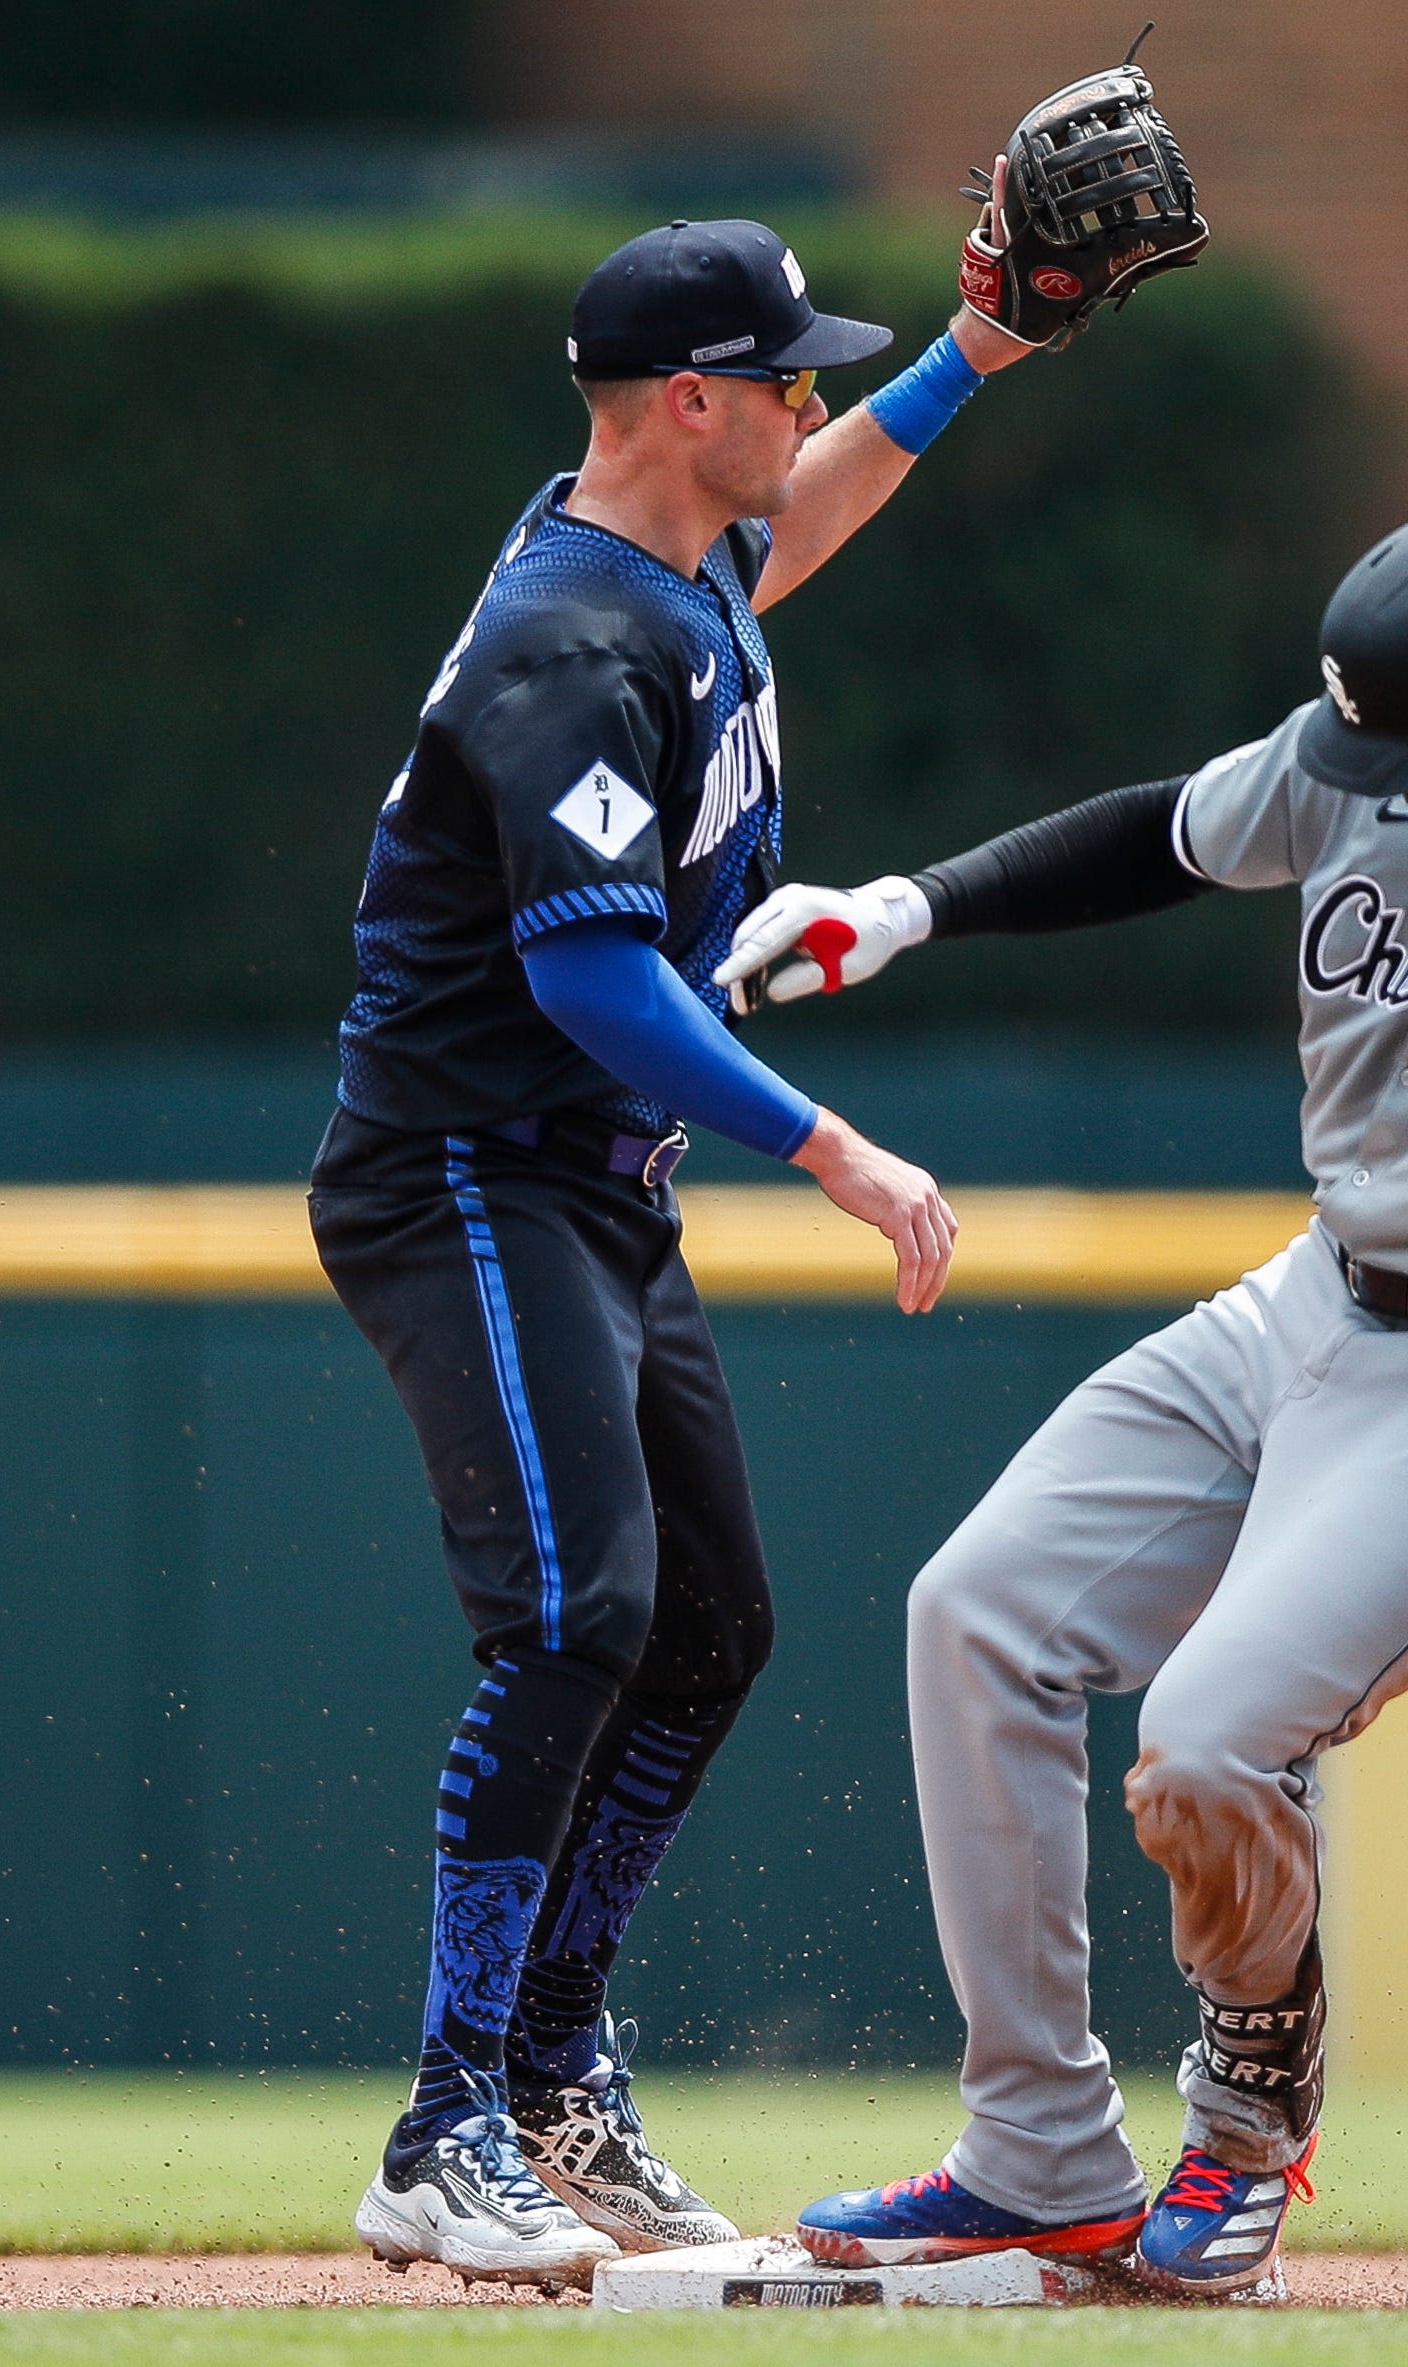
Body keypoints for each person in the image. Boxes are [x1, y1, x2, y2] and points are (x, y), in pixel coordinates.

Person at [716, 505, 1408, 2297]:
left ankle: (1246, 2114)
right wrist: (908, 906)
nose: (1375, 786)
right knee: (975, 1615)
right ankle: (1037, 2158)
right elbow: (1158, 836)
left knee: (1214, 1739)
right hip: (1302, 1300)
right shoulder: (1373, 762)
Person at [312, 216, 1036, 2286]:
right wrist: (830, 1144)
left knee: (704, 1623)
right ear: (689, 402)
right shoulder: (565, 635)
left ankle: (552, 2066)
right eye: (785, 375)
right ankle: (443, 2126)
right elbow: (595, 983)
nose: (812, 401)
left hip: (584, 1183)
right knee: (571, 1612)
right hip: (463, 1163)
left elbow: (794, 521)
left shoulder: (672, 555)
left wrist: (975, 352)